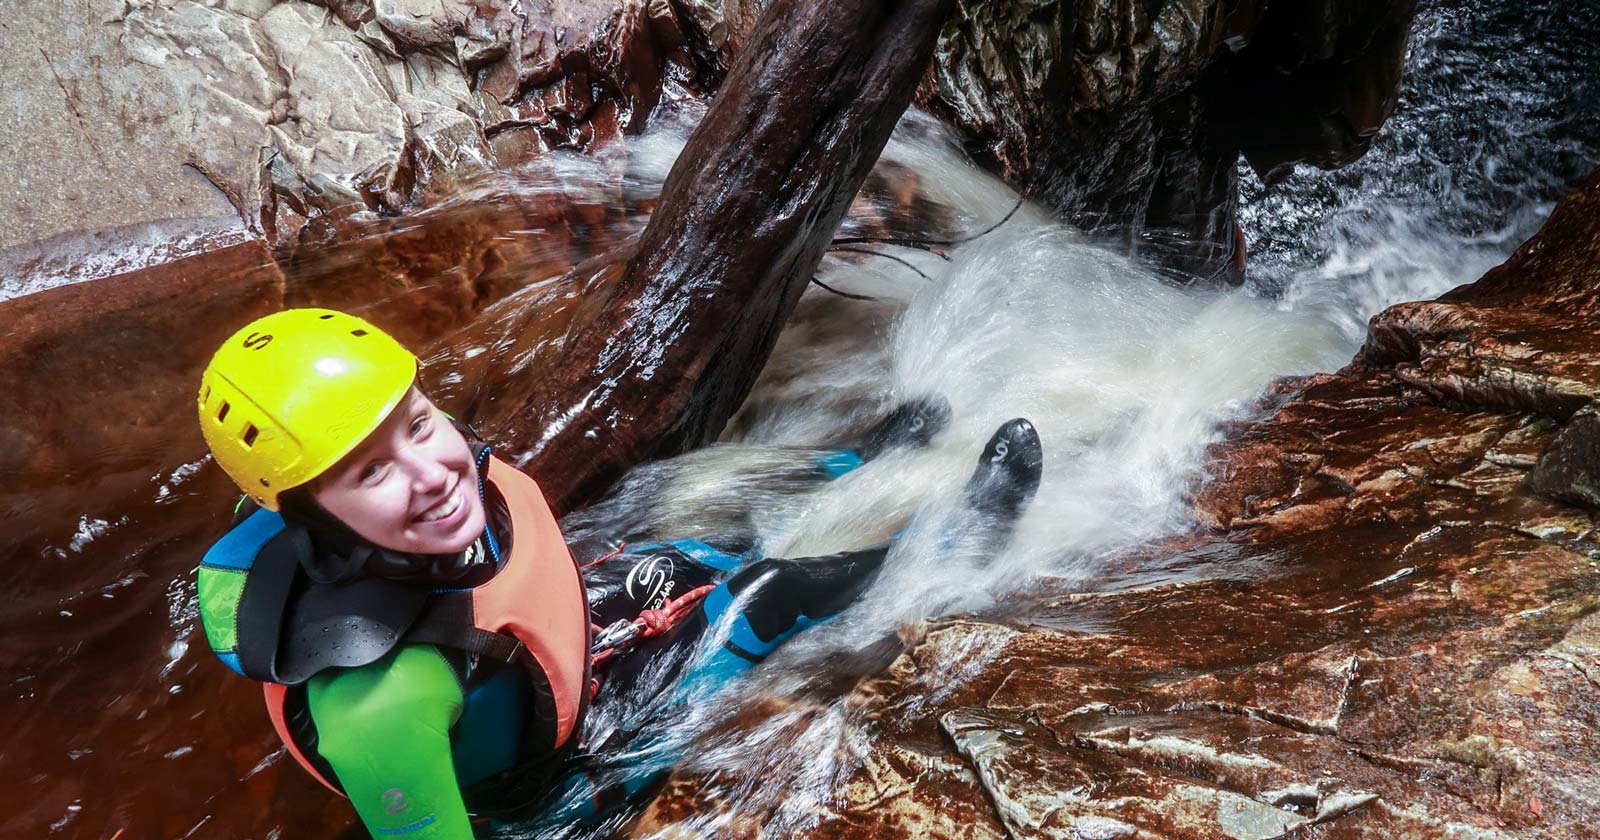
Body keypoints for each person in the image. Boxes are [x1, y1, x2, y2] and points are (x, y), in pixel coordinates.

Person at [194, 308, 1042, 838]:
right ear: (306, 514)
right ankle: (945, 547)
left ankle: (860, 459)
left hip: (527, 657)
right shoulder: (381, 703)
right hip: (551, 783)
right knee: (764, 590)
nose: (432, 473)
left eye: (418, 425)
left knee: (695, 533)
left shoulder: (390, 517)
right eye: (370, 472)